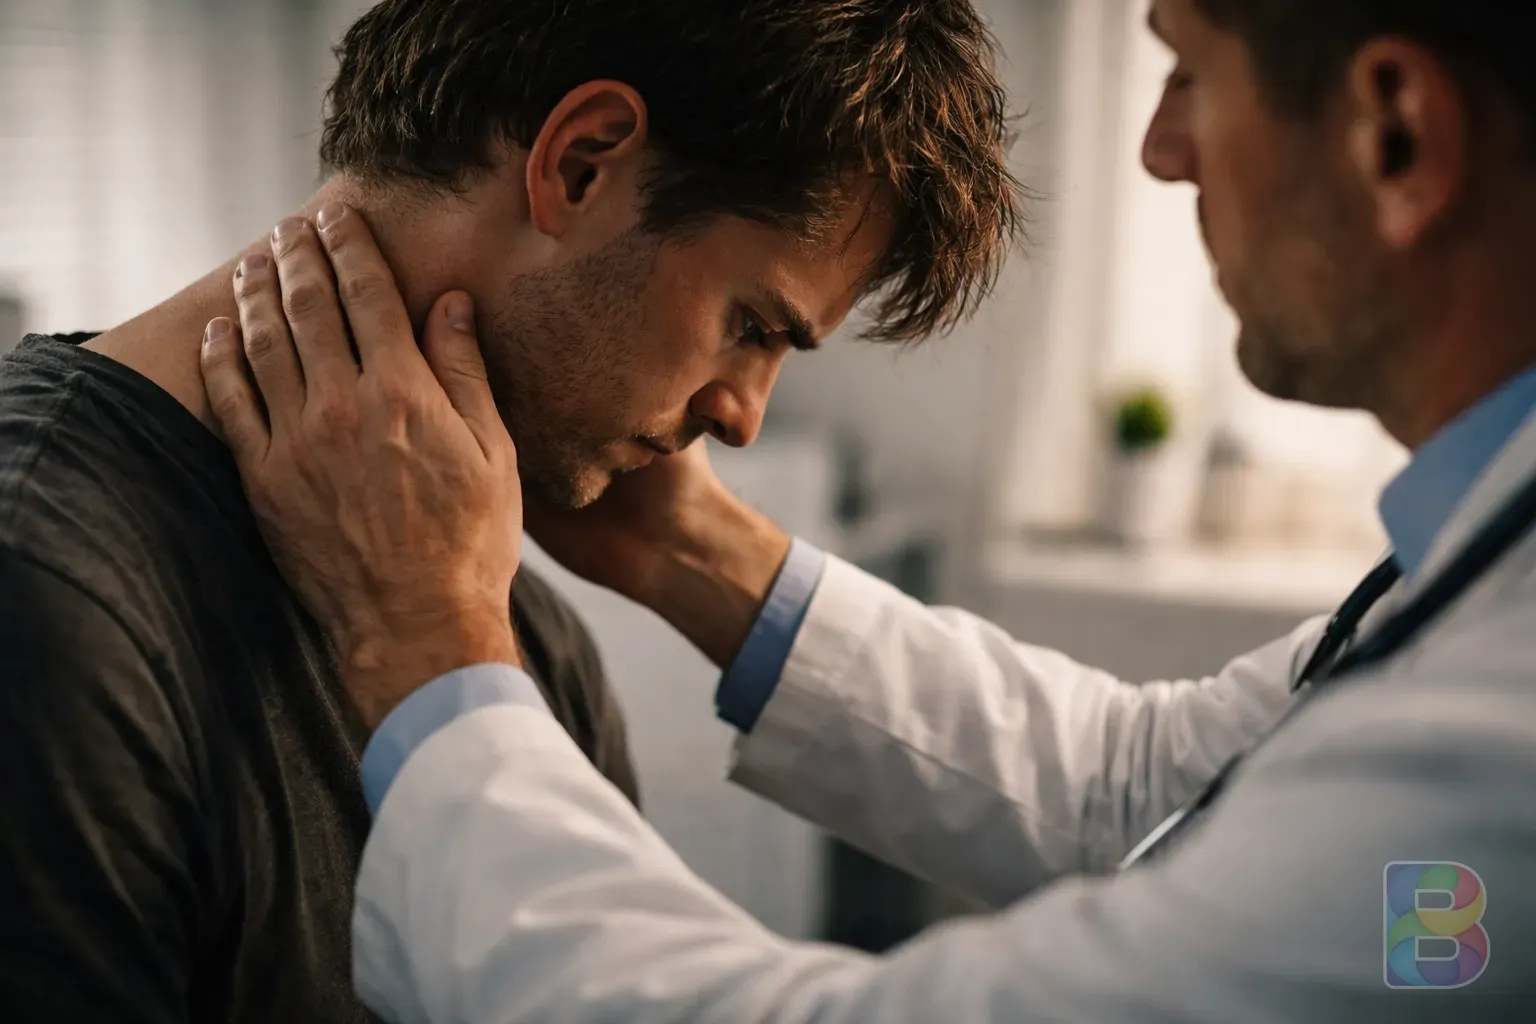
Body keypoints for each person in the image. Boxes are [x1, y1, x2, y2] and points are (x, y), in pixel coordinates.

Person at [205, 0, 1536, 1020]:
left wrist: (430, 649)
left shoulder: (1495, 757)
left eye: (1187, 65)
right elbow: (1149, 796)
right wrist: (686, 547)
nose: (1160, 146)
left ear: (1394, 133)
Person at [0, 2, 1018, 1021]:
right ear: (581, 164)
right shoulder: (44, 590)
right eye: (750, 325)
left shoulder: (526, 647)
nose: (742, 417)